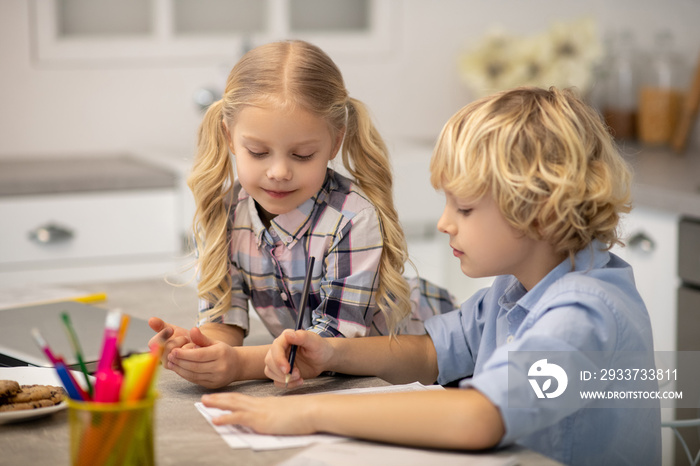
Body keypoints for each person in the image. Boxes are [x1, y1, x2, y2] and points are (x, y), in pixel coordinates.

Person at [200, 87, 662, 466]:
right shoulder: (516, 289)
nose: (445, 222)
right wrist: (330, 351)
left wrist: (307, 412)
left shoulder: (582, 313)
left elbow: (480, 416)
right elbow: (430, 351)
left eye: (463, 207)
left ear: (539, 213)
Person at [149, 40, 454, 389]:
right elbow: (225, 325)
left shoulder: (352, 219)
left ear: (334, 143)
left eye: (303, 155)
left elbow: (333, 347)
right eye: (258, 152)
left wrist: (236, 365)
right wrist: (201, 351)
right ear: (229, 138)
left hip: (436, 350)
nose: (279, 171)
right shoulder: (225, 214)